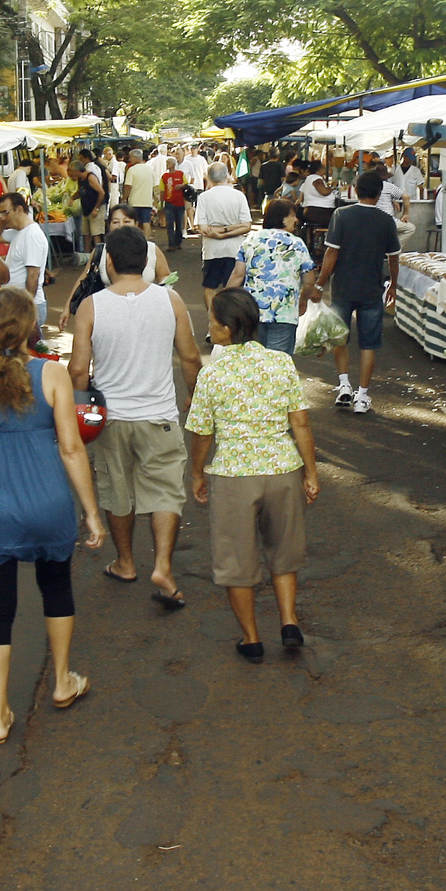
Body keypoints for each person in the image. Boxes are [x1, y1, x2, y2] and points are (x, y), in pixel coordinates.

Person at [0, 287, 105, 745]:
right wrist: (91, 513)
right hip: (48, 503)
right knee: (56, 589)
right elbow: (71, 448)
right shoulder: (52, 374)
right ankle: (63, 680)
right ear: (33, 328)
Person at [68, 227, 202, 610]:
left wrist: (78, 410)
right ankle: (162, 566)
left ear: (108, 261)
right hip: (159, 414)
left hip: (111, 418)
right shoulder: (170, 300)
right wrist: (194, 396)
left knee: (117, 492)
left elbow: (79, 370)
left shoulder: (92, 306)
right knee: (164, 491)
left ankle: (126, 563)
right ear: (146, 261)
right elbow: (190, 357)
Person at [187, 288, 319, 662]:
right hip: (282, 471)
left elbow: (202, 433)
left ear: (226, 329)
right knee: (284, 553)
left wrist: (197, 473)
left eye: (212, 320)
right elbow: (301, 423)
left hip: (234, 476)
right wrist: (310, 473)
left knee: (237, 563)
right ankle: (289, 621)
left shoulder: (212, 375)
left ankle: (251, 639)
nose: (209, 326)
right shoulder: (281, 364)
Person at [304, 171, 400, 415]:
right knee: (369, 344)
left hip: (343, 288)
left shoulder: (341, 215)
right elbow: (393, 258)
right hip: (372, 289)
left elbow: (331, 254)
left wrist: (320, 284)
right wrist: (395, 286)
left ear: (356, 190)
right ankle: (363, 396)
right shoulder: (386, 220)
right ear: (379, 195)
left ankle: (344, 384)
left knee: (340, 338)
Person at [229, 199, 314, 355]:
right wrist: (303, 301)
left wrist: (225, 301)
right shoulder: (297, 244)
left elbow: (238, 275)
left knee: (253, 363)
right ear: (281, 217)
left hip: (252, 313)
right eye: (293, 215)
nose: (296, 220)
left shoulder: (251, 240)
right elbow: (309, 281)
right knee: (277, 365)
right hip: (285, 313)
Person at [195, 162, 254, 315]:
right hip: (236, 250)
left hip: (212, 251)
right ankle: (232, 322)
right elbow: (246, 225)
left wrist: (219, 231)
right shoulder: (239, 195)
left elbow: (202, 228)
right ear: (227, 175)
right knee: (234, 290)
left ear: (208, 177)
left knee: (210, 289)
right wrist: (230, 230)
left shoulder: (204, 197)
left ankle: (212, 322)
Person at [0, 192, 49, 327]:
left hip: (26, 307)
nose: (3, 218)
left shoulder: (31, 235)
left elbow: (33, 274)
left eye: (5, 212)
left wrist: (27, 309)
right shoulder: (18, 232)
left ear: (19, 209)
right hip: (16, 305)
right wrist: (3, 218)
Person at [374, 159, 416, 248]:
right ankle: (394, 249)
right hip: (388, 220)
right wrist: (406, 213)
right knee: (410, 228)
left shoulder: (371, 185)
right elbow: (406, 197)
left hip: (373, 220)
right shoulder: (388, 186)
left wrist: (392, 200)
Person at [122, 149, 157, 238]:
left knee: (135, 222)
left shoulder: (132, 170)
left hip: (134, 201)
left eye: (130, 157)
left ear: (135, 157)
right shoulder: (150, 169)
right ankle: (146, 240)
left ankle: (135, 240)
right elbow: (155, 187)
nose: (129, 160)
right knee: (146, 222)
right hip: (147, 201)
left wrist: (123, 198)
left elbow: (128, 186)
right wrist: (155, 200)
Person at [299, 159, 338, 234]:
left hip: (310, 210)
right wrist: (332, 186)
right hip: (318, 212)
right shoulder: (316, 179)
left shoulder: (309, 178)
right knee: (338, 220)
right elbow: (324, 192)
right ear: (319, 169)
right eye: (323, 167)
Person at [160, 156, 187, 252]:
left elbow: (187, 185)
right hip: (169, 203)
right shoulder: (164, 176)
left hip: (180, 203)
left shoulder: (181, 174)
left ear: (173, 164)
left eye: (168, 163)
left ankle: (178, 242)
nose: (167, 165)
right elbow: (162, 190)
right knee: (170, 224)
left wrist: (182, 186)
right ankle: (171, 244)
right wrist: (161, 203)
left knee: (179, 224)